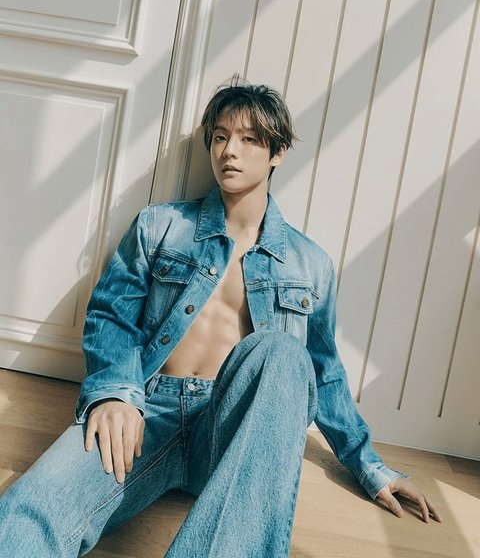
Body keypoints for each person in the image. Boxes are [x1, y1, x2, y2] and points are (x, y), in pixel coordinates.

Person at [0, 81, 441, 557]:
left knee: (281, 351)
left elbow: (322, 372)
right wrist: (113, 391)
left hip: (233, 429)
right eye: (220, 137)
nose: (229, 151)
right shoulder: (160, 226)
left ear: (278, 153)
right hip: (146, 411)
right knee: (32, 509)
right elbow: (112, 314)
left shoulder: (309, 265)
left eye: (249, 139)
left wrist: (368, 464)